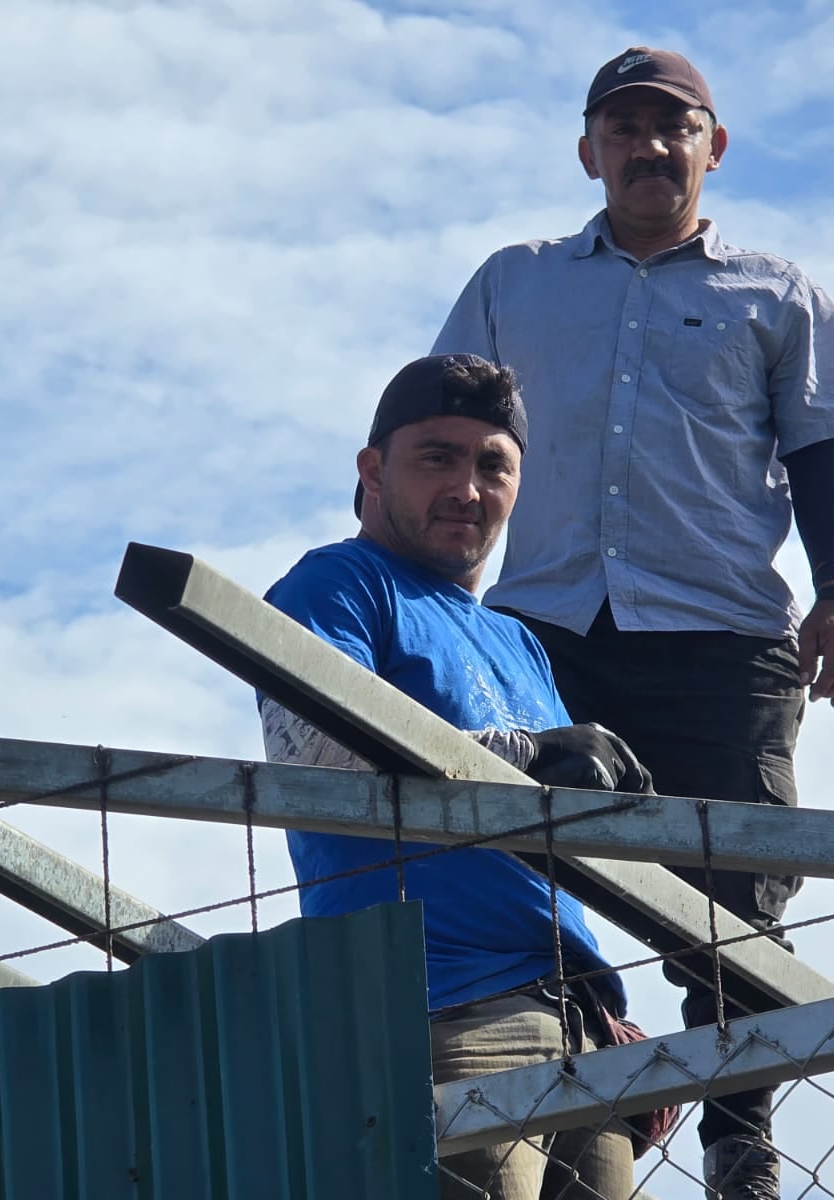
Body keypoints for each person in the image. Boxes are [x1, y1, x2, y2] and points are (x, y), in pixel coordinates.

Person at [430, 46, 834, 1200]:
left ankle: (738, 1141)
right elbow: (443, 432)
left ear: (712, 147)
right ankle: (551, 1093)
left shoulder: (774, 295)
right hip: (542, 637)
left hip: (721, 643)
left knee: (737, 904)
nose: (649, 147)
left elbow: (821, 455)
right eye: (624, 129)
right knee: (506, 868)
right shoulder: (514, 283)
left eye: (672, 127)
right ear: (587, 152)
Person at [260, 353, 654, 1200]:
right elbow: (315, 753)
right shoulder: (338, 582)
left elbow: (548, 854)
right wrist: (530, 755)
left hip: (577, 1023)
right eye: (437, 457)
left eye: (492, 465)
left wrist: (603, 999)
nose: (467, 489)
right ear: (373, 471)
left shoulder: (518, 641)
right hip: (441, 1009)